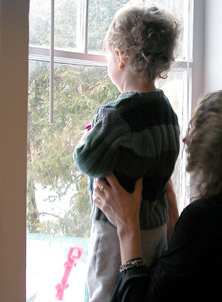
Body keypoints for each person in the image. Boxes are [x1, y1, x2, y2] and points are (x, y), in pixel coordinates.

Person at [93, 85, 222, 301]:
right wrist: (172, 209)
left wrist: (127, 226)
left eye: (199, 130)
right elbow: (190, 278)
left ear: (218, 147)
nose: (186, 140)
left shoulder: (205, 218)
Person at [73, 3, 181, 301]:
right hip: (155, 227)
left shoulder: (115, 113)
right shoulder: (168, 113)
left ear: (119, 57)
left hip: (115, 225)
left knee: (103, 288)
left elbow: (87, 159)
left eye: (109, 55)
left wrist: (90, 131)